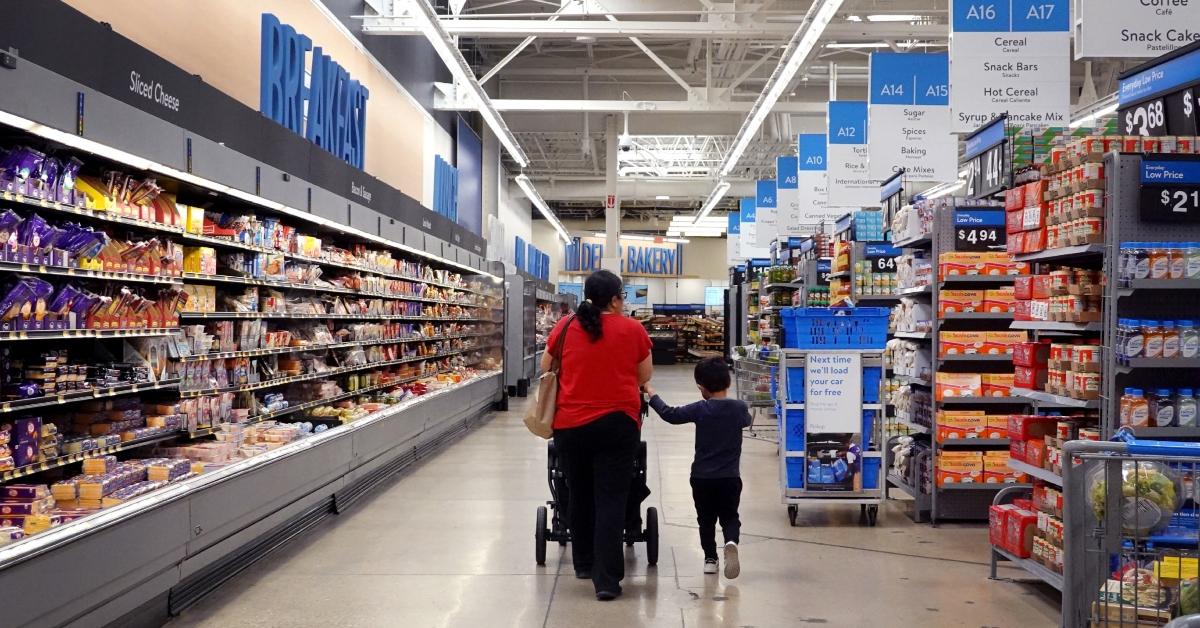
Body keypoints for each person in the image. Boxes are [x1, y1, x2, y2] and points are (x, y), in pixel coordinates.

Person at [540, 269, 652, 601]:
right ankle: (606, 580)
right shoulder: (632, 329)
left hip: (571, 425)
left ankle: (584, 563)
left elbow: (546, 367)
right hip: (618, 424)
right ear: (616, 299)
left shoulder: (566, 326)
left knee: (578, 493)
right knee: (611, 499)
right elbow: (643, 375)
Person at [644, 357, 751, 579]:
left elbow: (670, 415)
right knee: (730, 516)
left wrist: (651, 395)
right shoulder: (738, 408)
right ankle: (731, 542)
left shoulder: (701, 409)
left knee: (706, 519)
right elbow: (746, 420)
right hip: (730, 477)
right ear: (728, 383)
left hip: (702, 477)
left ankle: (710, 559)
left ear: (702, 387)